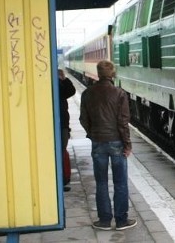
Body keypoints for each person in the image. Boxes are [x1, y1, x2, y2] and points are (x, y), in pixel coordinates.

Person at [79, 60, 136, 231]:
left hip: (98, 142)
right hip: (117, 142)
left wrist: (92, 133)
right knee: (120, 182)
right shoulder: (119, 93)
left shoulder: (88, 93)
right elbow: (123, 122)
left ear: (98, 73)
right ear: (112, 74)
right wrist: (127, 144)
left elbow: (83, 119)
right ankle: (121, 221)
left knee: (101, 182)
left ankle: (104, 220)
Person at [58, 68, 76, 192]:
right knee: (62, 151)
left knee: (62, 151)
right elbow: (70, 91)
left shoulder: (58, 85)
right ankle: (62, 179)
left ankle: (63, 179)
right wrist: (64, 79)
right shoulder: (57, 86)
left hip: (62, 124)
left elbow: (70, 91)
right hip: (61, 125)